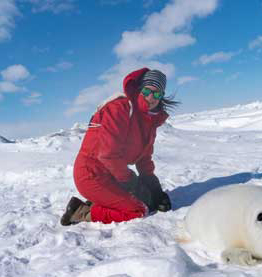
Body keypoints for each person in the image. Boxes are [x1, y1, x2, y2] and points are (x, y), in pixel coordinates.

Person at [60, 68, 177, 226]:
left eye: (157, 94)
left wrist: (153, 185)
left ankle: (100, 202)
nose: (151, 97)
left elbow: (144, 157)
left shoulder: (148, 119)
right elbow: (108, 155)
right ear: (139, 88)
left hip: (112, 174)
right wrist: (132, 183)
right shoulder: (120, 108)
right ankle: (80, 212)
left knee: (149, 201)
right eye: (147, 90)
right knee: (138, 209)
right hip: (91, 175)